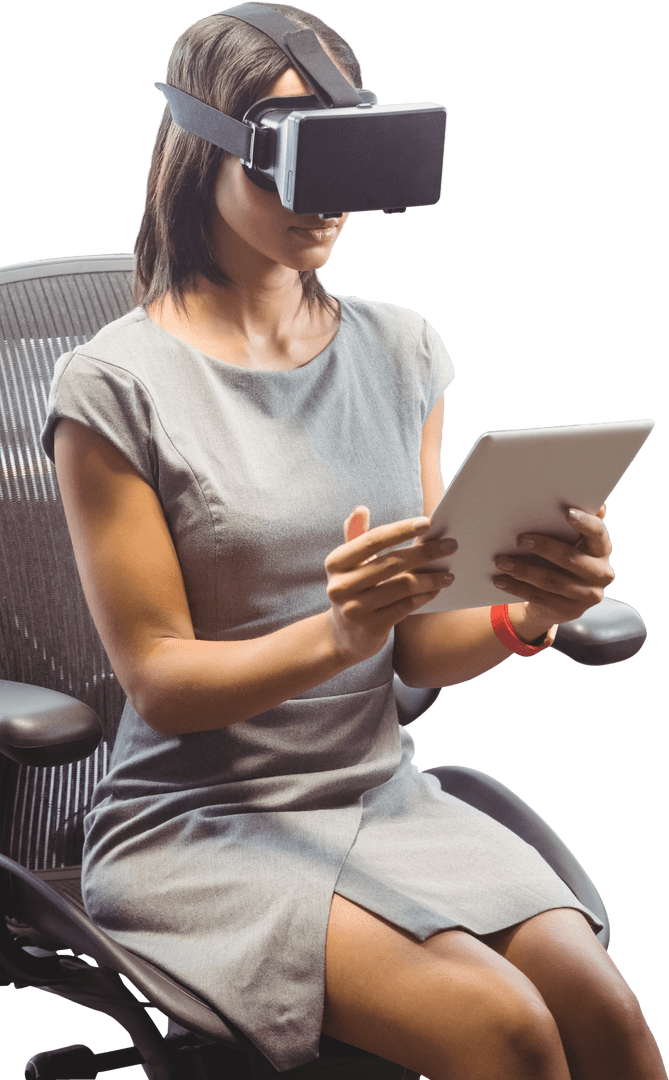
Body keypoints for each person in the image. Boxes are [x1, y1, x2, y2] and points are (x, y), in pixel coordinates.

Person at [39, 5, 666, 1079]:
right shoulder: (112, 386)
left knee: (605, 1015)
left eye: (350, 149)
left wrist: (526, 612)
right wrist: (337, 634)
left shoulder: (400, 351)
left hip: (377, 793)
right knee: (505, 1032)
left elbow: (421, 645)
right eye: (299, 155)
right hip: (199, 827)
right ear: (203, 149)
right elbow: (162, 685)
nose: (328, 198)